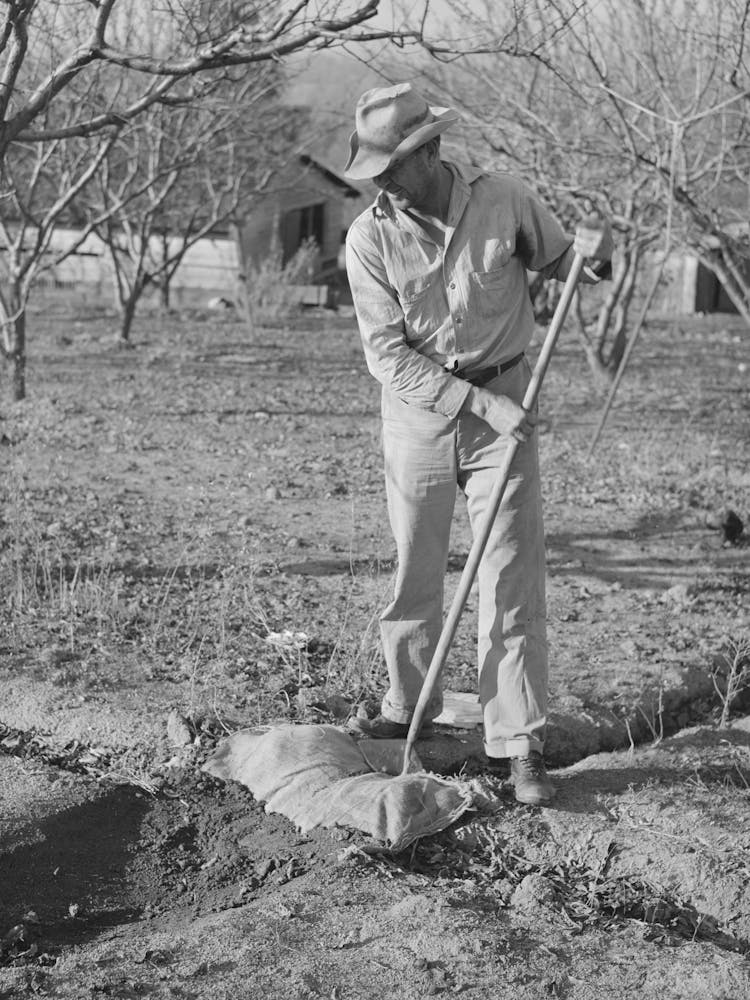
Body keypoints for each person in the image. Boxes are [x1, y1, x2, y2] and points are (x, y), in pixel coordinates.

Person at [343, 82, 613, 805]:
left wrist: (592, 251)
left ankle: (516, 742)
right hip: (419, 417)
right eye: (374, 175)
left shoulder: (506, 200)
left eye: (392, 169)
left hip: (509, 413)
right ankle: (408, 705)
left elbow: (567, 266)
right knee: (416, 570)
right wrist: (475, 403)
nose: (384, 187)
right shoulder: (369, 237)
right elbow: (387, 356)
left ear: (429, 152)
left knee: (512, 579)